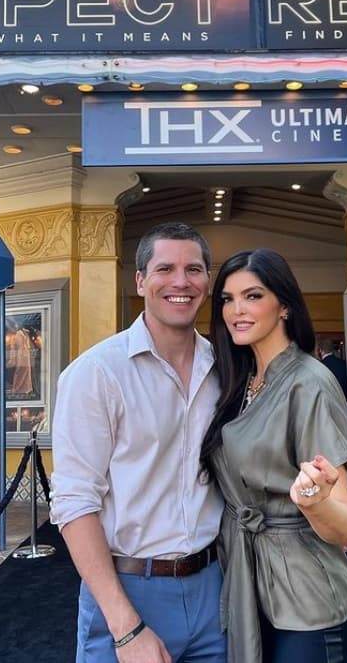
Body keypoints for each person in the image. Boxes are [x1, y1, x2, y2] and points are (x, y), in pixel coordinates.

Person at [50, 222, 225, 663]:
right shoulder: (96, 373)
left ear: (207, 281)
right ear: (141, 280)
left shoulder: (227, 369)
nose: (181, 282)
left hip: (215, 587)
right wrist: (126, 629)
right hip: (129, 589)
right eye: (165, 268)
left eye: (194, 269)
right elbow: (74, 502)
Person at [200, 248, 347, 663]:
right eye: (227, 298)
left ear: (286, 306)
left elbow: (346, 525)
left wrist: (313, 504)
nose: (236, 310)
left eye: (253, 296)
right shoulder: (239, 381)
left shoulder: (309, 383)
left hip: (304, 594)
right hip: (246, 578)